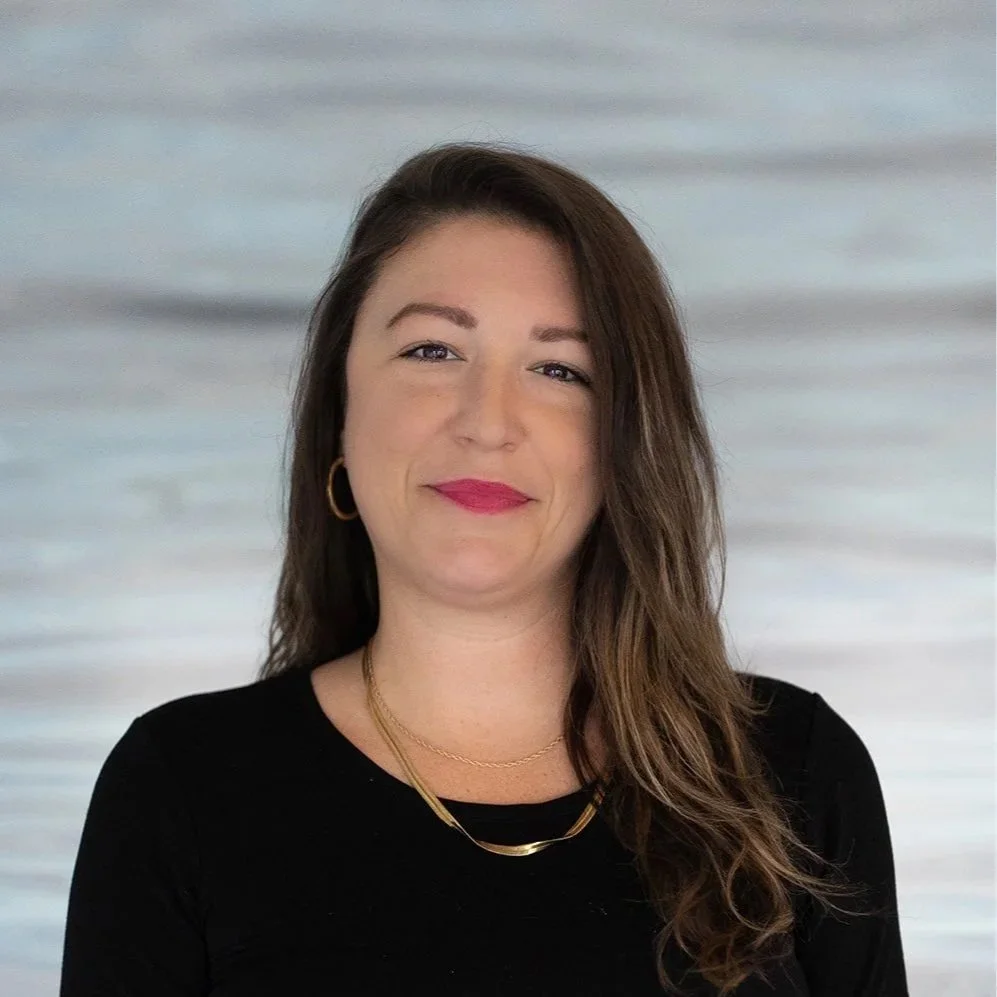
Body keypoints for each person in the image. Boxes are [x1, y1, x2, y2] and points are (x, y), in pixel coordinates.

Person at [59, 142, 909, 996]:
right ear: (338, 414)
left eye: (559, 369)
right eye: (433, 351)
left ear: (623, 446)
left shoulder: (793, 772)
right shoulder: (183, 789)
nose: (488, 421)